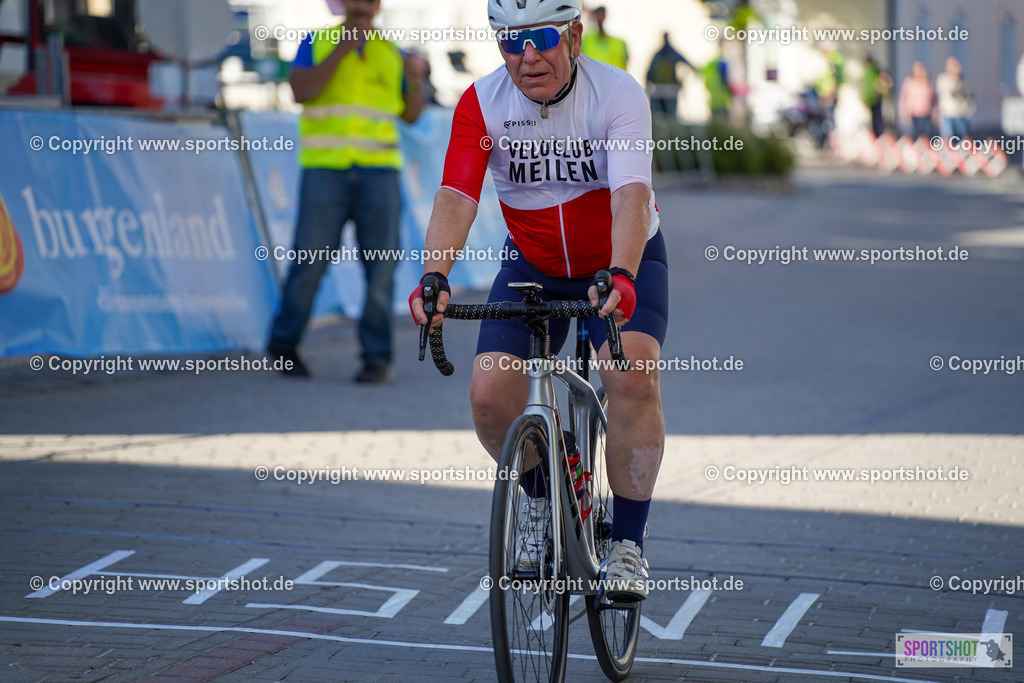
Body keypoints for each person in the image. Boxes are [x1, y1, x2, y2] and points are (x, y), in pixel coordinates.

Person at [410, 0, 668, 601]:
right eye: (509, 42)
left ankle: (627, 545)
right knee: (490, 398)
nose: (527, 58)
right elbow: (455, 196)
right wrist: (434, 276)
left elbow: (631, 192)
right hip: (535, 269)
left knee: (630, 375)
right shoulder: (481, 104)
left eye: (544, 37)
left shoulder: (618, 93)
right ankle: (549, 501)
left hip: (620, 261)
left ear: (575, 35)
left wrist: (622, 274)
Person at [267, 0, 424, 382]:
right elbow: (300, 91)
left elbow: (411, 113)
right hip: (326, 172)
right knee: (310, 260)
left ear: (378, 6)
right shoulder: (316, 41)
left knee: (382, 267)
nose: (361, 7)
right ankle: (284, 346)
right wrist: (342, 49)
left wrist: (416, 78)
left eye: (369, 0)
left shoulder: (392, 53)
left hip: (380, 174)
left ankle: (377, 359)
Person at [646, 32, 692, 119]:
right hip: (661, 90)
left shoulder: (661, 54)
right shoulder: (663, 54)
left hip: (667, 89)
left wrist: (682, 79)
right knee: (662, 115)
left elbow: (649, 72)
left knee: (666, 116)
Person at [936, 56, 975, 140]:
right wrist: (954, 80)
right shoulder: (944, 79)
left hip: (960, 113)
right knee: (948, 137)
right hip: (948, 113)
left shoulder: (963, 82)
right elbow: (951, 92)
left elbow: (969, 97)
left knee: (961, 137)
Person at [897, 61, 936, 141]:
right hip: (914, 113)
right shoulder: (909, 82)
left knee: (926, 135)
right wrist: (903, 113)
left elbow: (933, 98)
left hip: (926, 113)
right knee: (914, 135)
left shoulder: (927, 82)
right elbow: (903, 98)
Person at [580, 6, 628, 71]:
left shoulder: (620, 43)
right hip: (594, 79)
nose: (600, 18)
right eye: (597, 15)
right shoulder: (586, 41)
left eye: (602, 15)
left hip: (615, 79)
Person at [861, 53, 893, 138]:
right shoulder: (868, 70)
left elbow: (884, 80)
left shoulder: (875, 69)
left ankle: (879, 134)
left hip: (875, 96)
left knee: (877, 117)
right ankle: (875, 134)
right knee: (873, 117)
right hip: (870, 97)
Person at [702, 40, 732, 121]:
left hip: (715, 100)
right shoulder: (721, 62)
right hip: (722, 100)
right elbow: (726, 81)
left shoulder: (712, 63)